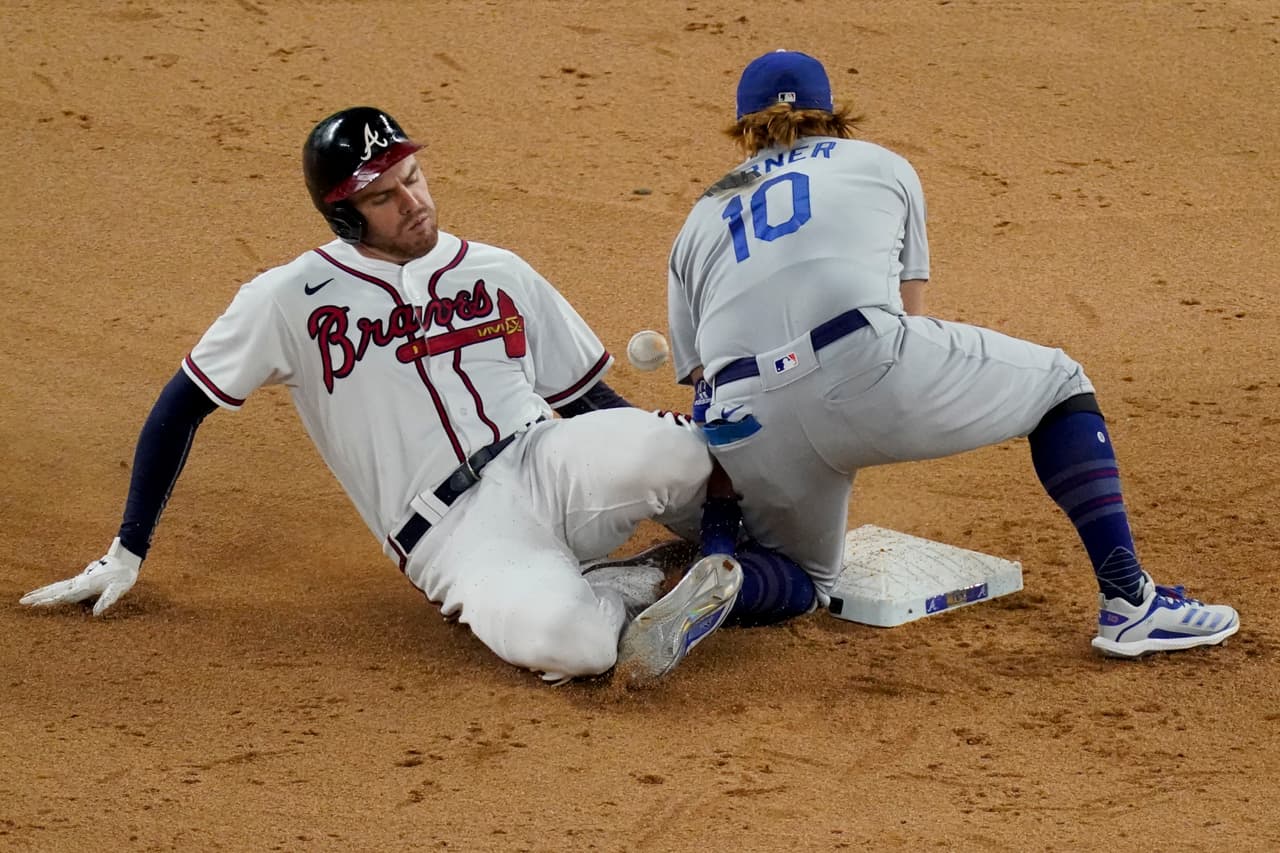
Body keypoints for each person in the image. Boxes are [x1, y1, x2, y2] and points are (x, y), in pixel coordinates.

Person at [19, 106, 744, 685]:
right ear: (345, 214)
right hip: (457, 532)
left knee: (681, 449)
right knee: (578, 646)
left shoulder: (497, 270)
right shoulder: (287, 301)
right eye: (383, 195)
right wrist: (127, 549)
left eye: (415, 178)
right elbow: (182, 403)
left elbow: (587, 399)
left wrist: (683, 463)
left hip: (546, 459)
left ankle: (740, 553)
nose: (413, 202)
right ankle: (627, 586)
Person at [663, 50, 1240, 658]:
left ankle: (703, 582)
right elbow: (911, 316)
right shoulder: (880, 164)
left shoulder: (697, 220)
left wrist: (724, 526)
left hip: (748, 416)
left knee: (805, 582)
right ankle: (1129, 602)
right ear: (830, 114)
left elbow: (703, 387)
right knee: (1062, 384)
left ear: (743, 127)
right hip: (865, 366)